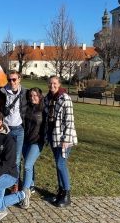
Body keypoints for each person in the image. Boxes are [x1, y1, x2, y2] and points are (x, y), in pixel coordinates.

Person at [44, 76, 77, 207]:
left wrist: (66, 139)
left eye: (55, 83)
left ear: (59, 84)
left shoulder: (65, 98)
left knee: (60, 164)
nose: (52, 85)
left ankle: (67, 194)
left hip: (64, 138)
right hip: (53, 136)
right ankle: (61, 192)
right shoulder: (48, 98)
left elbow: (69, 121)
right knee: (58, 165)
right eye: (50, 83)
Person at [0, 70, 27, 192]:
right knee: (4, 156)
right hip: (6, 130)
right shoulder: (1, 91)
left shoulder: (25, 92)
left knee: (17, 158)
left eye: (14, 79)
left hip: (19, 129)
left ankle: (15, 184)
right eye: (9, 79)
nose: (12, 82)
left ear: (19, 79)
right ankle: (3, 181)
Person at [20, 87, 45, 209]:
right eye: (30, 96)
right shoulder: (28, 108)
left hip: (37, 142)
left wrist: (44, 139)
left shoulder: (44, 109)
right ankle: (32, 185)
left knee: (27, 165)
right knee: (30, 164)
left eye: (35, 95)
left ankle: (25, 194)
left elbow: (47, 127)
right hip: (26, 141)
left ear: (39, 96)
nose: (32, 98)